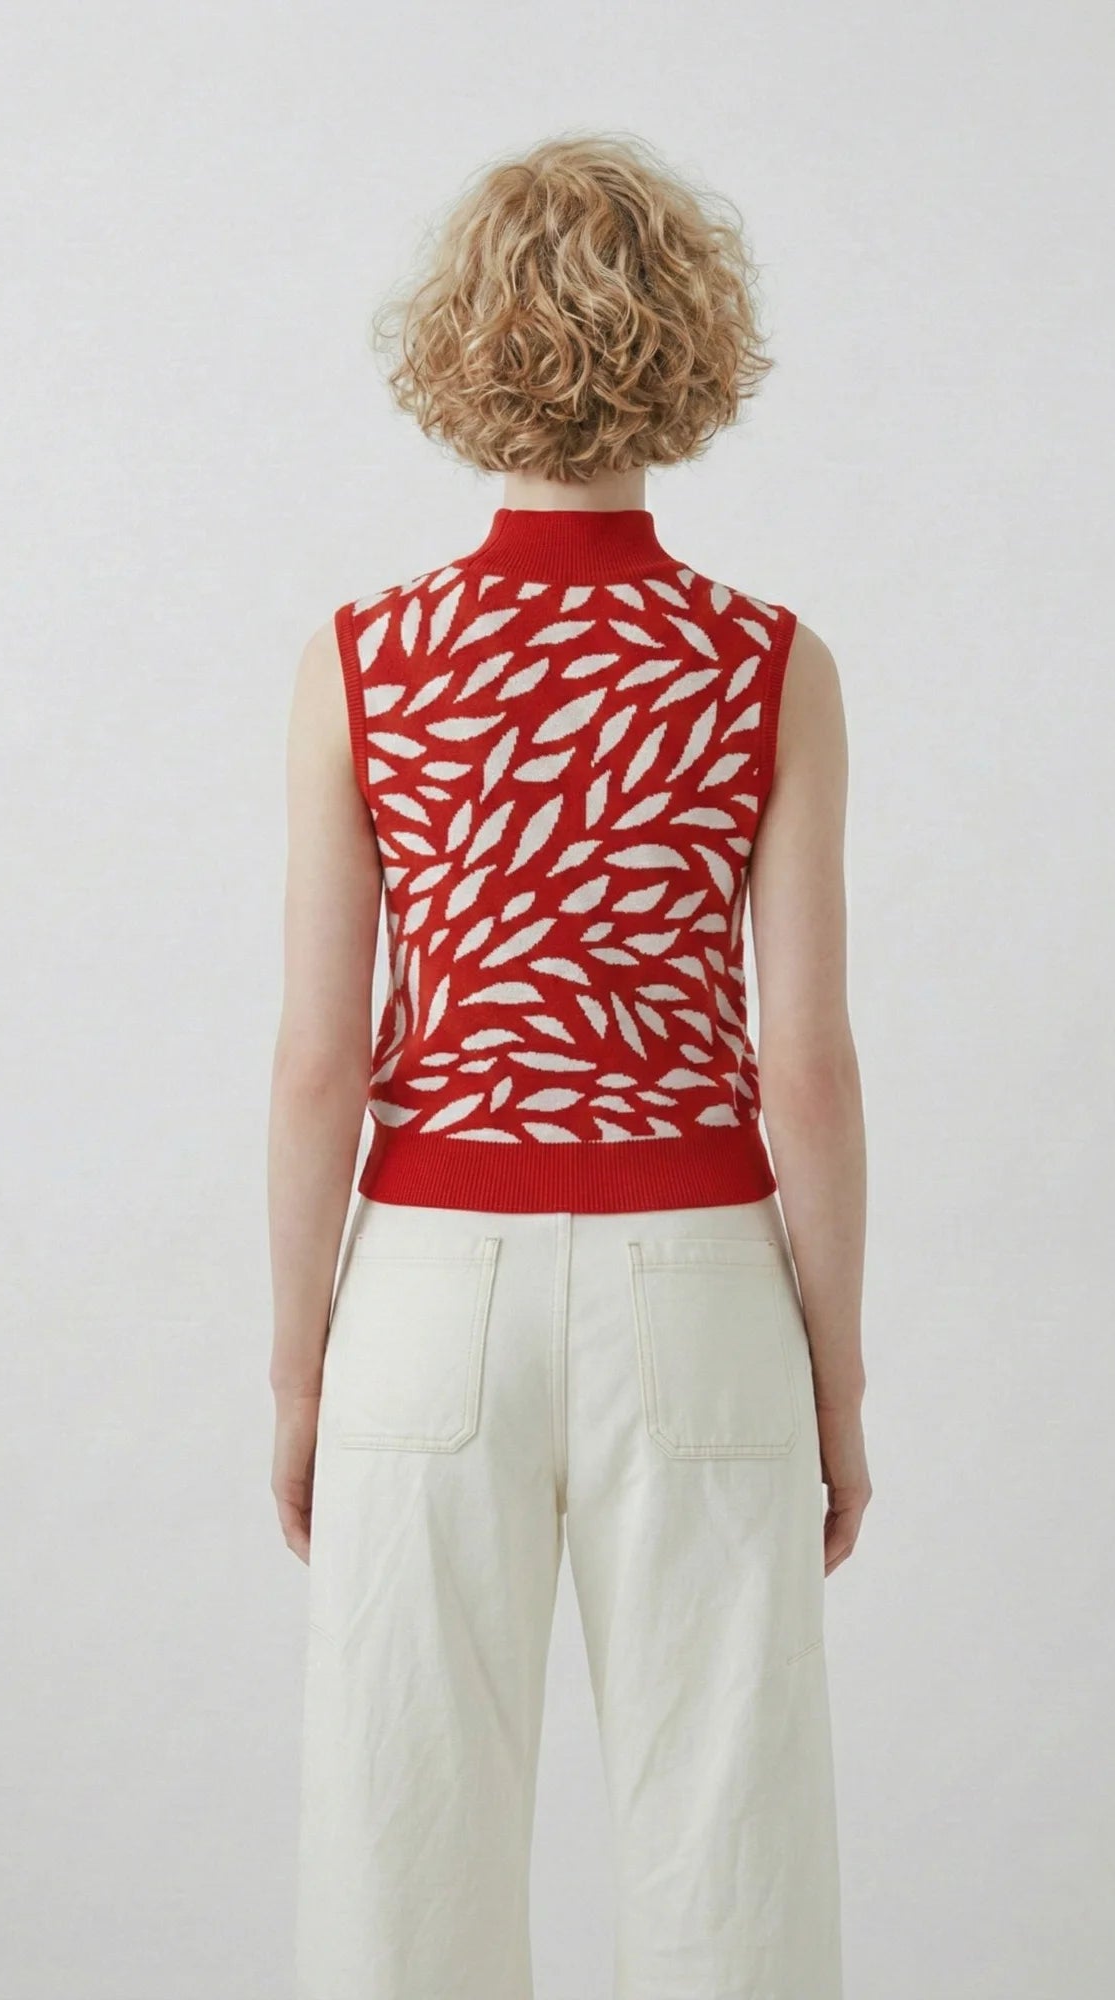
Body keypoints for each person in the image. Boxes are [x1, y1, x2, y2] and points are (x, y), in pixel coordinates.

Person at [266, 131, 869, 2000]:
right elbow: (808, 1067)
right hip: (698, 1288)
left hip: (431, 1287)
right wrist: (837, 1385)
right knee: (728, 1831)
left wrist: (299, 1369)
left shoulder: (367, 663)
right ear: (693, 352)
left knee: (402, 1836)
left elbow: (315, 1064)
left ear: (458, 345)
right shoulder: (763, 664)